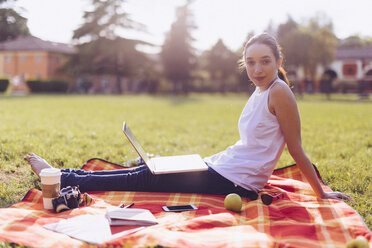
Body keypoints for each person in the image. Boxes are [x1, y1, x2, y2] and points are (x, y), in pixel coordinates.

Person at [26, 33, 350, 201]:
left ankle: (61, 177)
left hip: (237, 181)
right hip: (221, 165)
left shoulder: (279, 91)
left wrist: (321, 192)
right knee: (148, 167)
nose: (257, 69)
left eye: (265, 61)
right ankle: (64, 173)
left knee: (144, 178)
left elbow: (296, 149)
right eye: (250, 62)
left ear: (279, 59)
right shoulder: (261, 90)